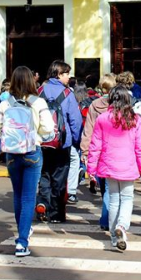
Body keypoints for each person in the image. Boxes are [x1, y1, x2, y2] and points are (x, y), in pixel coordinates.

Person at [0, 66, 55, 257]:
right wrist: (38, 134)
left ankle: (23, 233)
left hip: (11, 154)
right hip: (32, 151)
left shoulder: (5, 103)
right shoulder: (38, 102)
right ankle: (22, 241)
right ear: (31, 81)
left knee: (18, 196)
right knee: (28, 198)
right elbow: (48, 128)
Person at [87, 85, 141, 251]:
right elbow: (140, 148)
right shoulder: (135, 120)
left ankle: (114, 238)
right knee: (127, 198)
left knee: (113, 199)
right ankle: (121, 226)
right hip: (128, 165)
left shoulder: (102, 119)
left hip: (108, 165)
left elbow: (95, 146)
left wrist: (91, 168)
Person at [36, 60, 83, 223]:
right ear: (58, 74)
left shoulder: (39, 91)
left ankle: (42, 204)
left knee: (44, 175)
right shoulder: (68, 94)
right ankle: (56, 214)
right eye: (66, 74)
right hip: (62, 142)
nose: (68, 77)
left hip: (42, 141)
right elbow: (75, 122)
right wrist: (76, 141)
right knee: (59, 178)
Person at [81, 73, 117, 225]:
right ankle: (106, 219)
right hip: (113, 148)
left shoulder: (94, 105)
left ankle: (106, 216)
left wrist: (85, 151)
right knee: (110, 188)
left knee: (104, 186)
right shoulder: (117, 105)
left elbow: (88, 129)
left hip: (97, 148)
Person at [66, 81, 89, 204]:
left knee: (70, 162)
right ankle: (71, 191)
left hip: (70, 137)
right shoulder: (87, 103)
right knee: (75, 162)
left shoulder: (71, 101)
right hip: (82, 135)